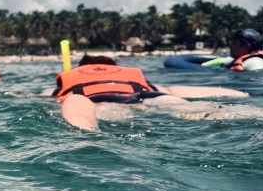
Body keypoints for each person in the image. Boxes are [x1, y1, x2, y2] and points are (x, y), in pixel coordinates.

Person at [53, 54, 248, 132]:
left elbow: (53, 96)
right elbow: (171, 91)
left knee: (76, 101)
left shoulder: (69, 83)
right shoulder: (134, 79)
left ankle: (87, 134)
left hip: (95, 102)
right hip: (149, 97)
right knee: (190, 110)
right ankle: (259, 117)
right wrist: (237, 94)